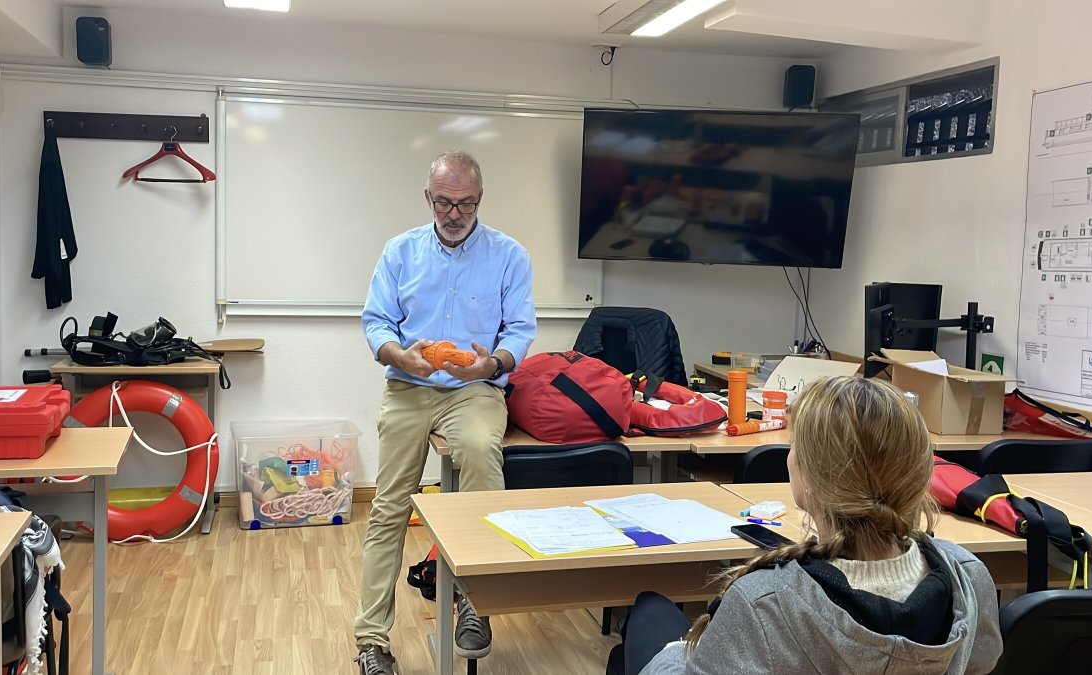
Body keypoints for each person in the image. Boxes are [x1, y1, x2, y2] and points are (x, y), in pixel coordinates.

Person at [616, 376, 1003, 675]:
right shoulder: (969, 577)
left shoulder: (761, 603)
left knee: (649, 614)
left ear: (810, 477)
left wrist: (677, 654)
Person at [354, 150, 536, 675]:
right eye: (444, 203)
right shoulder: (399, 251)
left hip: (473, 389)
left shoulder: (509, 255)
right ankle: (371, 641)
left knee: (481, 454)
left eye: (466, 203)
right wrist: (398, 354)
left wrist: (492, 365)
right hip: (409, 385)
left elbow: (520, 332)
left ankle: (473, 606)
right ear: (428, 198)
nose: (455, 214)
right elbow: (376, 322)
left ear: (480, 199)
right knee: (389, 507)